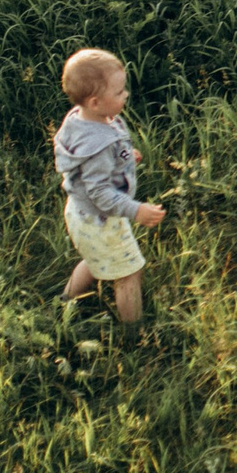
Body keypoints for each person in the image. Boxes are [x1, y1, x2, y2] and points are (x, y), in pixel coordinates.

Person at [55, 48, 164, 323]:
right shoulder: (99, 146)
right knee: (128, 274)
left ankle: (65, 302)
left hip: (81, 213)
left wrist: (125, 156)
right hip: (100, 219)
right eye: (118, 92)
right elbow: (101, 193)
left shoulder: (80, 119)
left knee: (95, 260)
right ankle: (134, 335)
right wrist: (135, 210)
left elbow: (100, 162)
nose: (125, 95)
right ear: (94, 102)